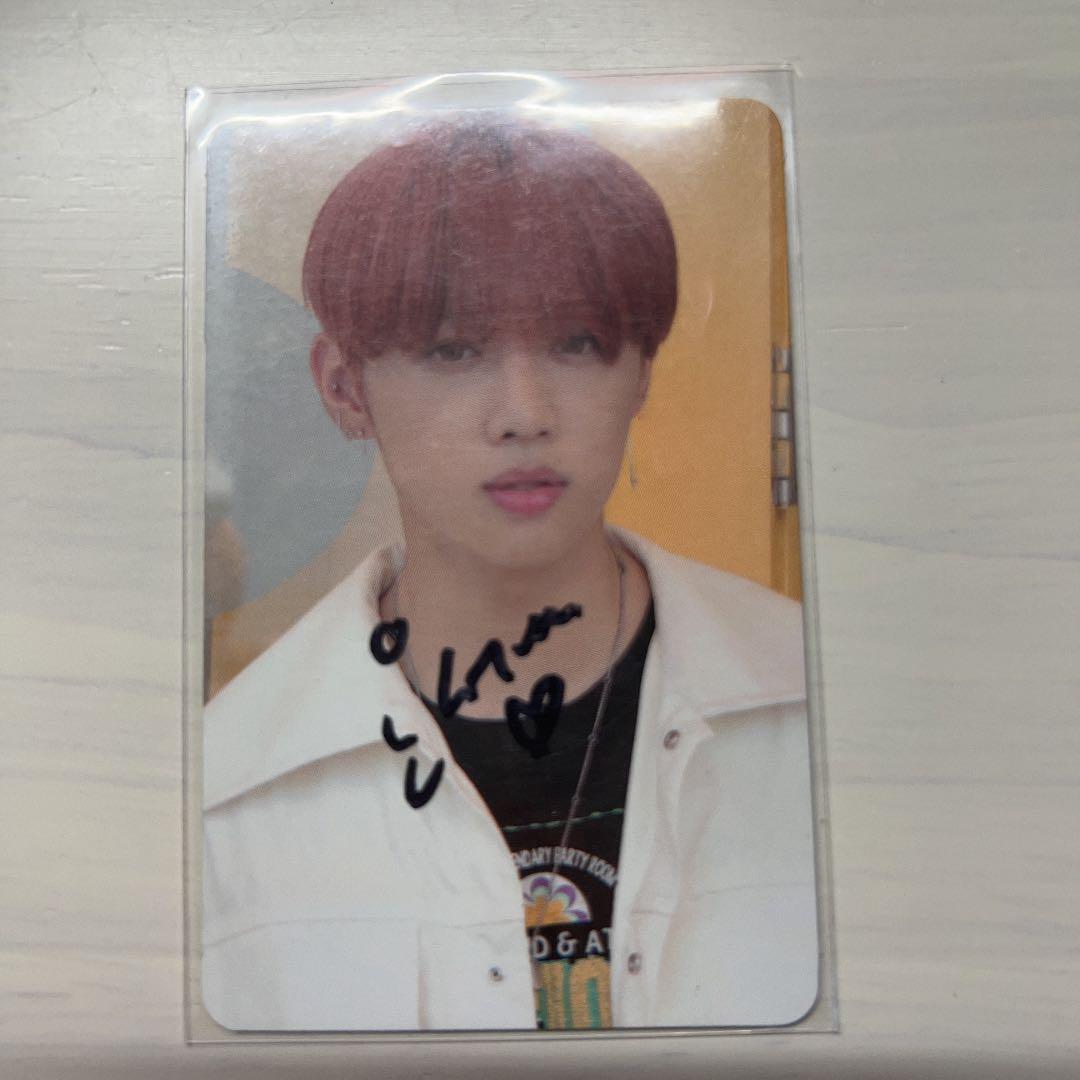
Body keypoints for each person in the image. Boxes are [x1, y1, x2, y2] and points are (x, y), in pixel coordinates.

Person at [201, 115, 819, 1032]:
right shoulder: (224, 781)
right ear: (343, 386)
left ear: (642, 372)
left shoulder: (814, 699)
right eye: (454, 350)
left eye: (578, 343)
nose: (525, 414)